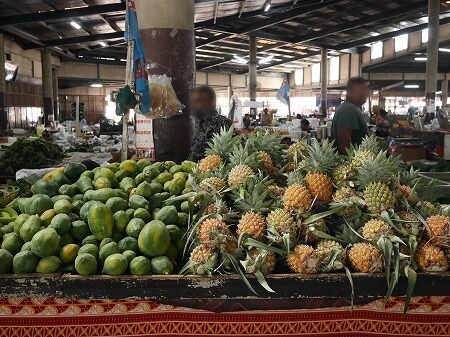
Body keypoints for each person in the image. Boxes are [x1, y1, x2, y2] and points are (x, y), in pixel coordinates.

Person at [188, 85, 232, 162]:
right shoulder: (199, 123)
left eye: (198, 101)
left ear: (212, 103)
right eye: (192, 102)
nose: (193, 106)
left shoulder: (223, 123)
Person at [331, 77, 369, 154]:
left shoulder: (352, 108)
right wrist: (351, 161)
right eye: (362, 91)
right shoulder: (348, 109)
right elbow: (343, 137)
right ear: (352, 91)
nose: (366, 94)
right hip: (352, 163)